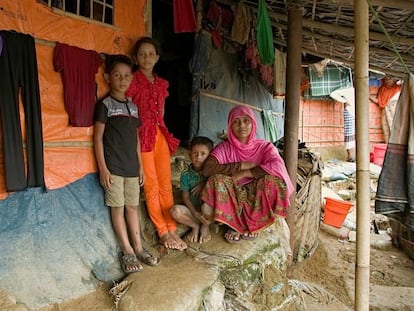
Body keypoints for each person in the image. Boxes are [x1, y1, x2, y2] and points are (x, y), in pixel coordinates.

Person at [94, 54, 160, 274]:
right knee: (118, 208)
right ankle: (127, 250)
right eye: (117, 75)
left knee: (132, 207)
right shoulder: (105, 105)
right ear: (107, 77)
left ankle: (139, 247)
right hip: (113, 169)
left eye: (126, 76)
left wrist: (140, 166)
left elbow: (136, 140)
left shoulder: (133, 107)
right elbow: (97, 138)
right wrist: (103, 168)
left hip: (132, 168)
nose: (122, 80)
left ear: (132, 78)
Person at [126, 37, 187, 251]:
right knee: (151, 186)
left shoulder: (161, 83)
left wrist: (158, 124)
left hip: (159, 134)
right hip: (142, 137)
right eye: (142, 54)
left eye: (151, 54)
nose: (147, 58)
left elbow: (160, 111)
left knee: (165, 183)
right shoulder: (132, 80)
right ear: (135, 58)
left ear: (157, 57)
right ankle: (162, 231)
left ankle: (172, 226)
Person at [200, 105, 295, 243]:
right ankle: (235, 226)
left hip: (257, 193)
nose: (242, 125)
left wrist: (246, 172)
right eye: (236, 121)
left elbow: (277, 167)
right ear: (230, 125)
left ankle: (255, 223)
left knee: (273, 182)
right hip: (233, 192)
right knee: (216, 180)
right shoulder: (224, 148)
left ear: (253, 123)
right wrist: (240, 165)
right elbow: (208, 169)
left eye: (246, 120)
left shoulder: (265, 147)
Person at [170, 136, 214, 244]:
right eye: (195, 153)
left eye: (203, 154)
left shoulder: (213, 171)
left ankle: (205, 226)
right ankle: (195, 226)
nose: (198, 157)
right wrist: (195, 213)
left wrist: (204, 183)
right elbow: (185, 197)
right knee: (174, 211)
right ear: (190, 155)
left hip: (209, 213)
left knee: (206, 207)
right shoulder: (186, 174)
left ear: (210, 156)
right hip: (193, 211)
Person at [330, 87, 356, 162]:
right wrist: (344, 101)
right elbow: (333, 94)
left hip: (357, 113)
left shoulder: (361, 89)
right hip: (349, 112)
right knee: (349, 134)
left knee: (355, 135)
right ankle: (350, 155)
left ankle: (353, 155)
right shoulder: (348, 89)